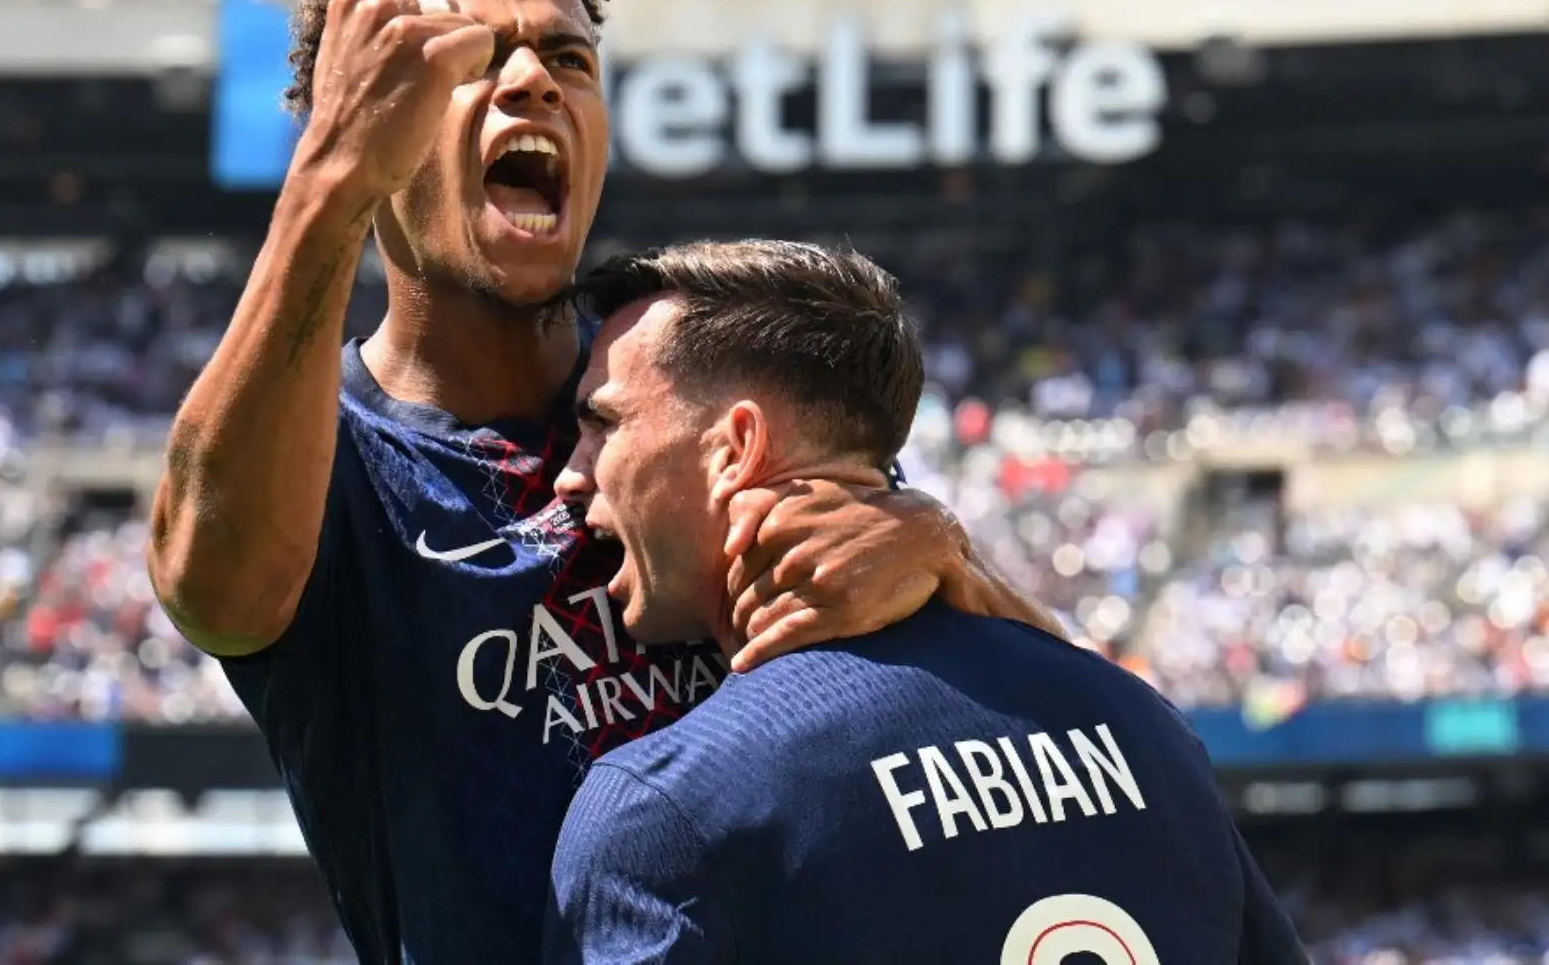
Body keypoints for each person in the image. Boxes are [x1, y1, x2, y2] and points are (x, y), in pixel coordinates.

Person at [147, 0, 1058, 964]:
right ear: (368, 123)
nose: (532, 77)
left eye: (569, 58)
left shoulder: (698, 385)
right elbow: (215, 584)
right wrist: (327, 183)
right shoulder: (325, 450)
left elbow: (1062, 716)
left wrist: (934, 545)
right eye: (468, 58)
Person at [544, 239, 1311, 964]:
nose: (569, 477)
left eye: (602, 424)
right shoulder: (1147, 728)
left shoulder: (664, 814)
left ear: (734, 448)